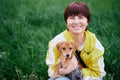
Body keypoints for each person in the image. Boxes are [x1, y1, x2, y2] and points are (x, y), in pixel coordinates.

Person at [46, 1, 106, 80]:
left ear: (87, 21)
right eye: (72, 18)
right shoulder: (57, 42)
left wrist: (77, 71)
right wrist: (63, 71)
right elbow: (51, 70)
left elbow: (99, 74)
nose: (76, 22)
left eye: (81, 17)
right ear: (66, 22)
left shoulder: (95, 45)